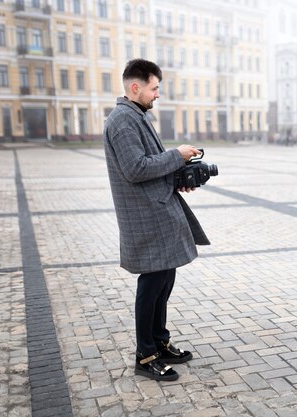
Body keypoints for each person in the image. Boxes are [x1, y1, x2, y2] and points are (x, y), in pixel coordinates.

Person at [103, 59, 210, 381]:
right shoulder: (123, 120)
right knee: (151, 285)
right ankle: (145, 354)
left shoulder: (136, 116)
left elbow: (148, 165)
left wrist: (178, 177)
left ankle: (160, 342)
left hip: (157, 209)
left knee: (164, 281)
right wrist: (178, 155)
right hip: (145, 215)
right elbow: (135, 168)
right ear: (136, 87)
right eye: (154, 88)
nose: (158, 94)